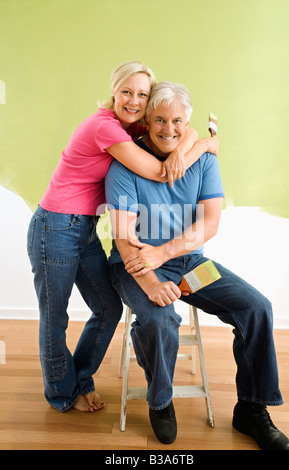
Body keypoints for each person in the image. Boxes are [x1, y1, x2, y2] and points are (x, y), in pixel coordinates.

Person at [105, 81, 289, 450]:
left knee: (256, 308)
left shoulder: (203, 160)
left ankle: (252, 409)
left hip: (190, 264)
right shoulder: (125, 165)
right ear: (147, 120)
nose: (169, 129)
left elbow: (209, 224)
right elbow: (124, 239)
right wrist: (152, 270)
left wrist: (165, 253)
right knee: (160, 318)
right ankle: (160, 401)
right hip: (135, 266)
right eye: (159, 119)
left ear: (187, 119)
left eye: (177, 120)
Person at [27, 60, 218, 414]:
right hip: (55, 226)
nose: (133, 100)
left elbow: (182, 128)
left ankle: (80, 379)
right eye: (126, 92)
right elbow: (162, 173)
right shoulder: (106, 128)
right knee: (55, 317)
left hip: (89, 230)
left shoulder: (134, 126)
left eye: (142, 94)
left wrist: (194, 142)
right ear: (113, 91)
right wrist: (204, 147)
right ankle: (63, 394)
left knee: (107, 307)